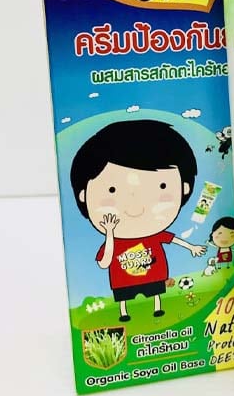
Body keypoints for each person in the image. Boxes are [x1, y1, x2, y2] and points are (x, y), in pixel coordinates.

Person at [70, 120, 206, 322]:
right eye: (112, 190)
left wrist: (192, 247)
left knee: (155, 293)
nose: (135, 209)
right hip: (122, 281)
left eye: (161, 186)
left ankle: (157, 309)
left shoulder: (155, 236)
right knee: (124, 298)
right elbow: (104, 262)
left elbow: (173, 239)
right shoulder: (115, 242)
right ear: (83, 196)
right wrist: (110, 232)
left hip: (154, 277)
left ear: (184, 188)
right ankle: (124, 314)